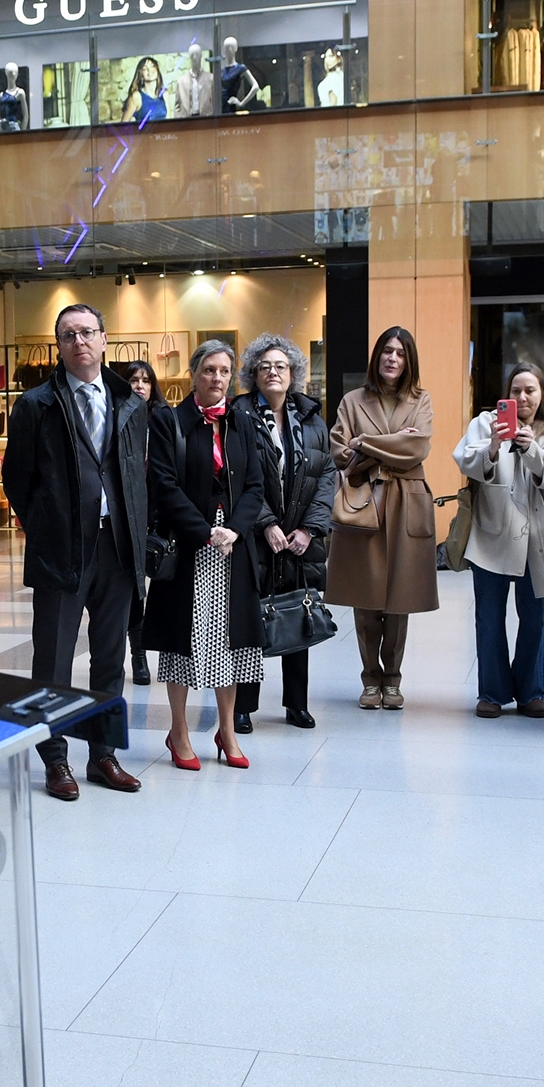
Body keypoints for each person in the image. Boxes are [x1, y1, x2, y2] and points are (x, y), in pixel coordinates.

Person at [3, 303, 150, 801]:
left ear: (105, 339)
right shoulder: (36, 405)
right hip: (61, 552)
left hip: (118, 547)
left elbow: (135, 472)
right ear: (59, 346)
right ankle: (55, 759)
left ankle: (102, 756)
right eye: (68, 335)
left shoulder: (130, 401)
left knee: (110, 658)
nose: (79, 342)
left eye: (88, 332)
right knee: (54, 660)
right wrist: (48, 526)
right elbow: (16, 481)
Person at [144, 341, 266, 767]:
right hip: (188, 545)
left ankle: (227, 731)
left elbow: (255, 484)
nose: (217, 378)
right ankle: (178, 732)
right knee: (182, 641)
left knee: (231, 642)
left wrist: (234, 529)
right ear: (194, 373)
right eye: (209, 370)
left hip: (233, 547)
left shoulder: (242, 421)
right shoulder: (168, 421)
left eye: (224, 371)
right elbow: (163, 484)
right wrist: (203, 531)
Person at [329, 326, 438, 709]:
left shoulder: (421, 400)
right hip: (365, 502)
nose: (393, 358)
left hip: (407, 502)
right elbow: (340, 453)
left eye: (401, 353)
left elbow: (417, 449)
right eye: (387, 351)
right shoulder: (352, 400)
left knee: (399, 597)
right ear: (377, 357)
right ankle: (370, 679)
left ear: (409, 360)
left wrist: (365, 444)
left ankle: (393, 679)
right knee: (366, 597)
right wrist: (388, 444)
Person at [453, 361, 544, 718]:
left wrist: (532, 448)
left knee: (533, 619)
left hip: (534, 539)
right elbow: (465, 460)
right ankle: (491, 691)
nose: (523, 397)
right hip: (491, 535)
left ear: (541, 395)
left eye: (530, 390)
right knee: (489, 618)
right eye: (516, 391)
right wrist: (492, 445)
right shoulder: (485, 423)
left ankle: (531, 691)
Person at [231, 335, 334, 731]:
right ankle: (243, 705)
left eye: (281, 366)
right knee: (249, 621)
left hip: (299, 537)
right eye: (264, 367)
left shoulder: (311, 419)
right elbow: (238, 477)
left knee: (298, 613)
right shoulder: (238, 415)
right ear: (253, 375)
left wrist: (309, 529)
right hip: (253, 538)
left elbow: (326, 474)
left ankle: (296, 704)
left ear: (293, 374)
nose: (273, 372)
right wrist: (266, 523)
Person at [117, 359, 169, 686]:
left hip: (161, 514)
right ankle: (137, 656)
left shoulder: (164, 419)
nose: (139, 385)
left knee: (165, 586)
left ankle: (171, 651)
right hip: (128, 514)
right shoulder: (118, 419)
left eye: (146, 380)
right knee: (135, 588)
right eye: (134, 380)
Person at [123, 55, 167, 124]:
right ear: (141, 74)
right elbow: (123, 125)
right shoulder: (136, 97)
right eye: (145, 69)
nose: (150, 71)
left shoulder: (164, 93)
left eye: (152, 66)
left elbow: (169, 121)